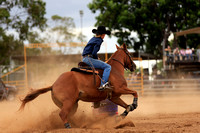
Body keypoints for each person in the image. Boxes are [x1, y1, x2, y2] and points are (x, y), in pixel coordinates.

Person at [82, 26, 111, 91]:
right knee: (108, 67)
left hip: (85, 58)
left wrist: (96, 57)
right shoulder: (99, 40)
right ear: (103, 35)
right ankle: (103, 84)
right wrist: (96, 58)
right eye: (104, 35)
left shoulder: (93, 38)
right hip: (89, 59)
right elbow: (94, 52)